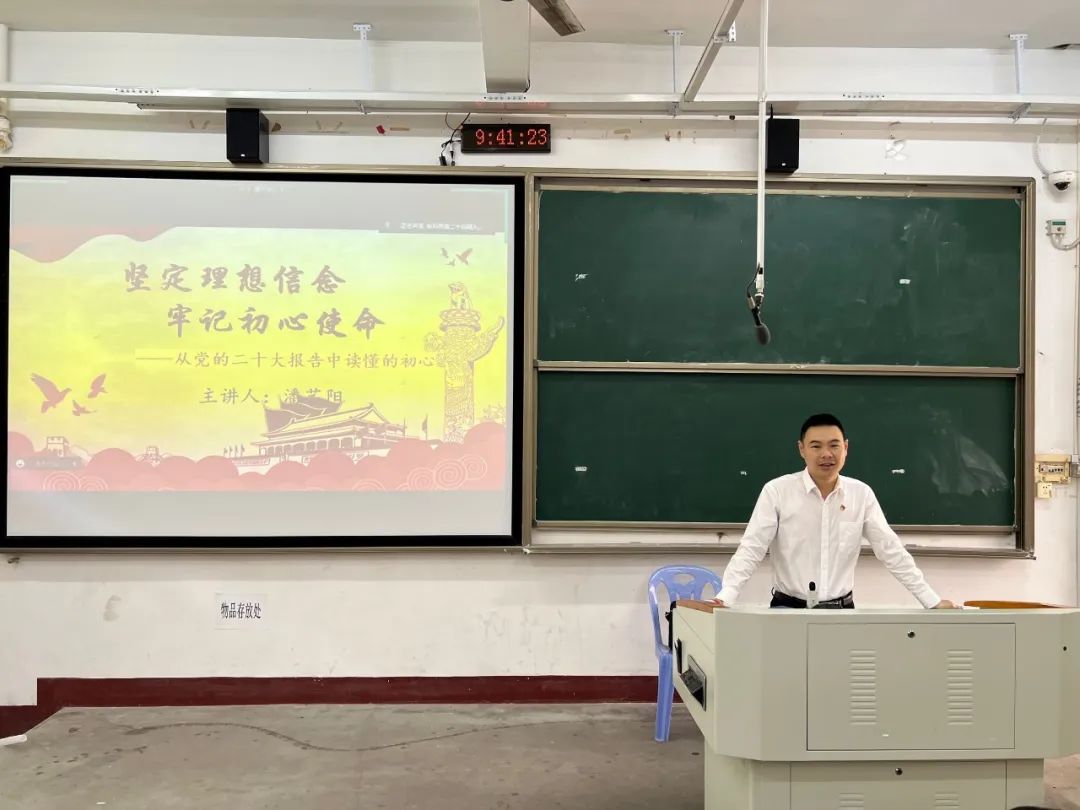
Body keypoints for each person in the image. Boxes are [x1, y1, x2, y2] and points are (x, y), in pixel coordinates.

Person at [712, 413, 956, 610]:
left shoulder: (861, 494)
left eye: (834, 445)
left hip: (841, 612)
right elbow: (752, 547)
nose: (826, 454)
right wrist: (726, 596)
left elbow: (890, 549)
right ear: (801, 449)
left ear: (846, 448)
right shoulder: (777, 491)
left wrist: (931, 600)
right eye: (816, 446)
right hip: (787, 610)